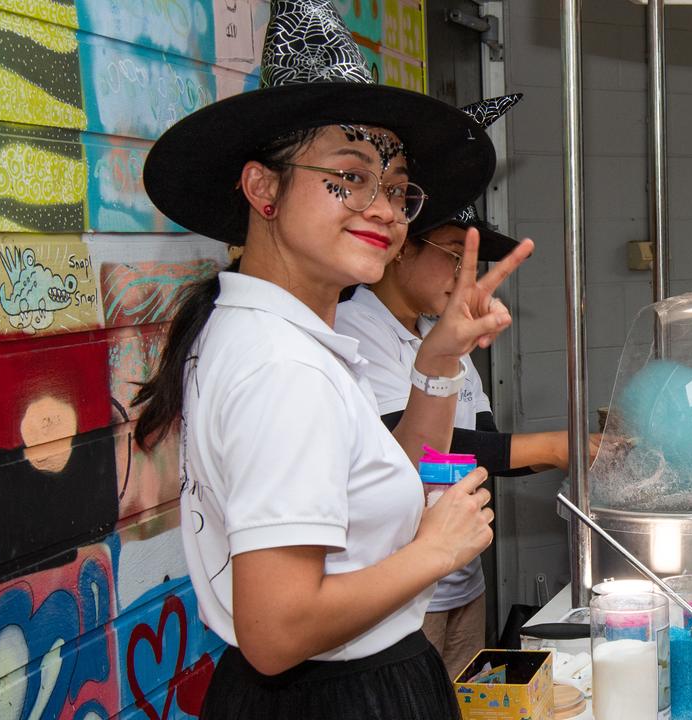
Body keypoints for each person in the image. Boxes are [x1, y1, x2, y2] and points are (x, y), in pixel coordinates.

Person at [132, 2, 533, 716]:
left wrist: (439, 360)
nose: (383, 208)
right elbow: (277, 631)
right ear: (264, 189)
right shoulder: (282, 367)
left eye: (394, 185)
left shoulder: (278, 337)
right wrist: (433, 554)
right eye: (348, 177)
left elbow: (390, 481)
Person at [335, 99, 598, 674]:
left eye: (471, 264)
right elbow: (420, 450)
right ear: (402, 245)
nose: (464, 277)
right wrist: (558, 446)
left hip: (460, 581)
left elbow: (480, 446)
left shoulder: (439, 334)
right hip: (401, 591)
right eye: (454, 255)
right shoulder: (356, 330)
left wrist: (569, 450)